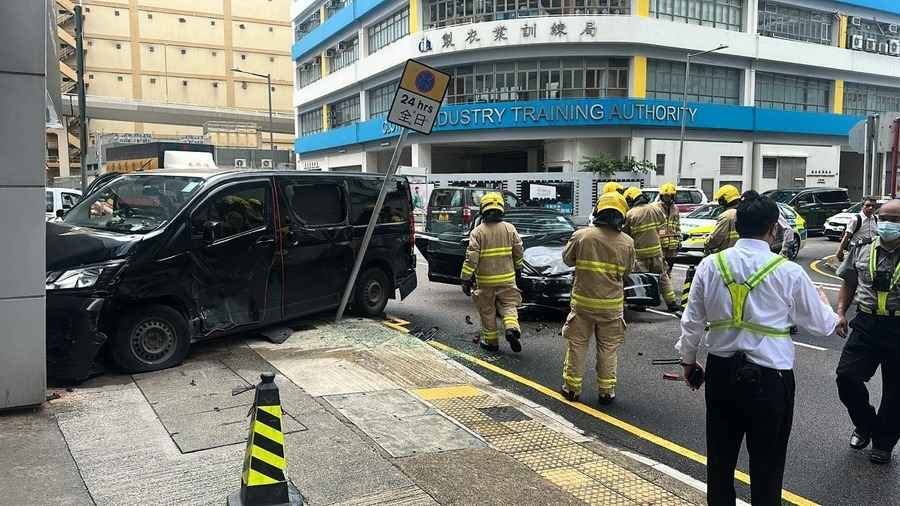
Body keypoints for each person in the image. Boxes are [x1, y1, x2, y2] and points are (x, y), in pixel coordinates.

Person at [677, 191, 838, 505]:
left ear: (737, 225)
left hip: (722, 374)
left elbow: (692, 320)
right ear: (774, 228)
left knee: (720, 462)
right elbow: (823, 325)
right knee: (768, 465)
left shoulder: (710, 265)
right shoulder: (788, 271)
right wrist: (826, 306)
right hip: (771, 380)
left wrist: (688, 362)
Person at [834, 198, 900, 465]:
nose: (888, 224)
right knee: (846, 377)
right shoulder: (861, 248)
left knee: (895, 392)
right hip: (866, 322)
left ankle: (883, 443)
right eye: (884, 218)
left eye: (895, 221)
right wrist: (840, 311)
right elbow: (849, 281)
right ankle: (865, 424)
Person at [561, 191, 635, 405]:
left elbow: (567, 260)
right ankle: (606, 391)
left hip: (583, 304)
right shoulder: (627, 242)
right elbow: (628, 270)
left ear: (598, 212)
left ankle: (572, 389)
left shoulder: (582, 235)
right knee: (608, 349)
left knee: (577, 346)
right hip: (612, 307)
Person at [460, 192, 525, 353]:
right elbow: (518, 251)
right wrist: (519, 269)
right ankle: (511, 328)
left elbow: (471, 259)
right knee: (509, 305)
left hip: (485, 282)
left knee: (487, 311)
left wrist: (465, 279)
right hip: (507, 279)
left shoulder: (477, 232)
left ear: (483, 209)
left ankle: (492, 343)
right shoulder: (510, 229)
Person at [623, 187, 680, 313]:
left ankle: (641, 304)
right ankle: (672, 303)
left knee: (642, 278)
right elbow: (661, 228)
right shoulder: (655, 209)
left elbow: (626, 234)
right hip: (657, 251)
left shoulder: (631, 214)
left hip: (640, 253)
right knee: (663, 276)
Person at [836, 197, 878, 262]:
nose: (871, 208)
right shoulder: (855, 219)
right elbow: (846, 236)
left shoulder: (876, 219)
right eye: (868, 205)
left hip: (870, 251)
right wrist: (840, 251)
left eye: (873, 206)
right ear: (862, 206)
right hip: (856, 250)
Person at [704, 184, 741, 255]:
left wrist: (706, 242)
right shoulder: (747, 212)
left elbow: (715, 239)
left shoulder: (727, 216)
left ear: (723, 200)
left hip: (727, 255)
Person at [655, 183, 681, 272]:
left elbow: (677, 225)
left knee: (669, 270)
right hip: (661, 245)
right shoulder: (656, 208)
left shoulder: (675, 208)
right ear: (661, 196)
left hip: (672, 247)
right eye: (665, 196)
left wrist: (679, 241)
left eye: (669, 196)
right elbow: (655, 228)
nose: (667, 198)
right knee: (660, 270)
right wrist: (666, 233)